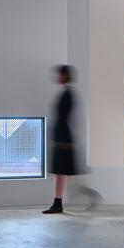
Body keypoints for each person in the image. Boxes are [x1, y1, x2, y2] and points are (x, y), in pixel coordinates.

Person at [43, 64, 79, 214]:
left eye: (60, 74)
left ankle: (58, 204)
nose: (57, 77)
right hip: (62, 138)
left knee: (60, 172)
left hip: (63, 139)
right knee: (62, 173)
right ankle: (58, 203)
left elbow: (63, 118)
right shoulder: (66, 93)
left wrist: (59, 138)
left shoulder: (68, 94)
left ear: (65, 76)